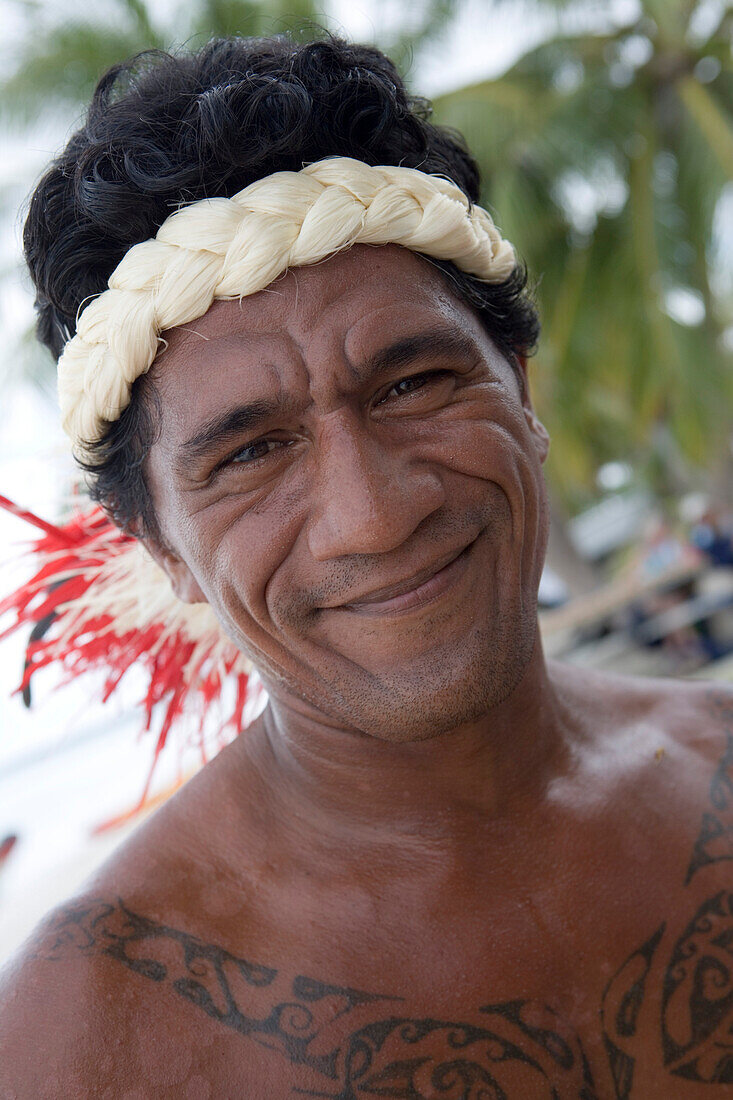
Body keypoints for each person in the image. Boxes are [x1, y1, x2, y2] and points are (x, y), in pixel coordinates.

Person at [1, 34, 732, 1099]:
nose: (373, 514)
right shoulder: (79, 1043)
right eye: (250, 452)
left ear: (521, 392)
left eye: (412, 384)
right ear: (164, 550)